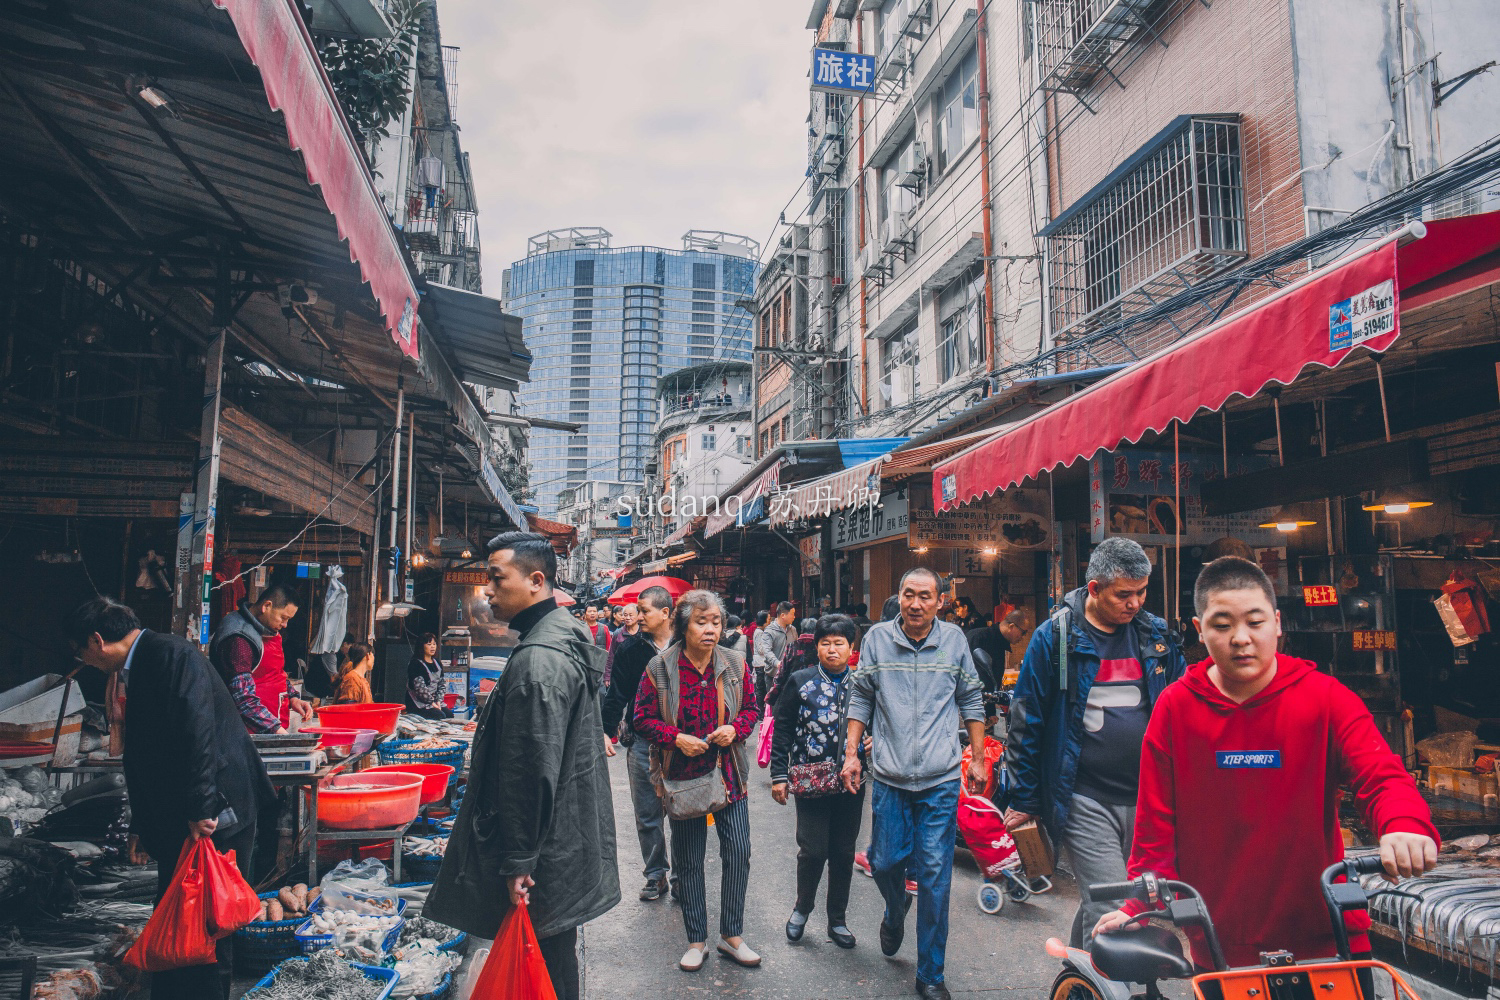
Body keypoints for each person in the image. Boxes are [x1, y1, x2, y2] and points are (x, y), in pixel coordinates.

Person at [1093, 557, 1439, 967]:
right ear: (1199, 630)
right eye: (1222, 625)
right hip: (1219, 937)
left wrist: (1403, 825)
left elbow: (1381, 777)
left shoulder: (1326, 699)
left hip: (1326, 933)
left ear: (1277, 623)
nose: (1241, 638)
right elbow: (1156, 822)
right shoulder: (1175, 707)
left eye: (1255, 622)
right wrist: (1139, 903)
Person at [427, 532, 619, 1000]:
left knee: (547, 966)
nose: (487, 590)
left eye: (496, 579)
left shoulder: (539, 663)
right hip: (561, 843)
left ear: (536, 581)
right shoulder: (558, 637)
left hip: (545, 854)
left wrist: (518, 862)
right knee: (553, 959)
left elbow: (531, 773)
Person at [67, 597, 273, 1000]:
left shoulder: (170, 655)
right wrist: (142, 824)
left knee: (210, 922)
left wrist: (200, 808)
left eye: (82, 653)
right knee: (180, 918)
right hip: (190, 814)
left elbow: (198, 734)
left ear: (97, 640)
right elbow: (152, 751)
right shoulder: (145, 661)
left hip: (217, 812)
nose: (86, 661)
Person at [1002, 536, 1187, 948]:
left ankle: (1079, 979)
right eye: (1125, 594)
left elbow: (1184, 707)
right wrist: (1024, 797)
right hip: (1084, 797)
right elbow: (1027, 721)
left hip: (1147, 798)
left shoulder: (1155, 637)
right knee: (1117, 909)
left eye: (1142, 592)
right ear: (1095, 589)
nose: (1135, 603)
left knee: (1119, 903)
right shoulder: (1055, 638)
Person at [841, 568, 987, 1000]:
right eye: (909, 595)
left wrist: (977, 759)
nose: (916, 604)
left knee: (936, 875)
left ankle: (931, 973)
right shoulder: (878, 640)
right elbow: (862, 696)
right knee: (885, 862)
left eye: (926, 596)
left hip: (941, 778)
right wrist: (852, 752)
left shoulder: (955, 641)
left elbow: (971, 698)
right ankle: (894, 907)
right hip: (889, 776)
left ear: (940, 601)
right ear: (899, 597)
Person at [633, 589, 761, 972]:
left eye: (716, 622)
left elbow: (753, 708)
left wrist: (735, 729)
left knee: (738, 851)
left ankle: (731, 935)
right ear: (683, 625)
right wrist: (675, 738)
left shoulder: (736, 663)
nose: (710, 629)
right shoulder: (660, 667)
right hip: (683, 779)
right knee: (688, 861)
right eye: (701, 622)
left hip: (729, 776)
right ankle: (696, 939)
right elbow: (641, 718)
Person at [770, 614, 866, 949]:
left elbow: (880, 724)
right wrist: (779, 775)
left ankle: (837, 920)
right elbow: (781, 730)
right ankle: (802, 908)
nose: (832, 649)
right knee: (812, 850)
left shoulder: (863, 685)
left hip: (851, 783)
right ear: (818, 646)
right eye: (826, 642)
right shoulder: (801, 681)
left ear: (851, 648)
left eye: (839, 643)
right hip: (810, 782)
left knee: (843, 852)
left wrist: (874, 741)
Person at [599, 586, 677, 902]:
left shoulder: (687, 645)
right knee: (648, 813)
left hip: (682, 742)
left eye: (644, 611)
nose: (637, 616)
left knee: (685, 812)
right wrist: (606, 730)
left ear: (666, 613)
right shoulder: (631, 649)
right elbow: (618, 692)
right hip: (644, 741)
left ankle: (683, 877)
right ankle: (656, 875)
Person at [209, 584, 312, 734]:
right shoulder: (239, 640)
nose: (285, 625)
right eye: (283, 618)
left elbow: (273, 673)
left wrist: (293, 698)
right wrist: (276, 730)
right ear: (266, 606)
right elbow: (243, 698)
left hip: (268, 730)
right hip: (244, 735)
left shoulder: (266, 630)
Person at [966, 610, 1027, 695]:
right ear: (1011, 626)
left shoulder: (999, 642)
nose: (1022, 637)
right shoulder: (977, 637)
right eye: (1023, 633)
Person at [766, 617, 817, 708]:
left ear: (802, 630)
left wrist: (771, 697)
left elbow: (782, 673)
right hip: (817, 693)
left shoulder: (792, 646)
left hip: (793, 692)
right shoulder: (821, 647)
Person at [753, 601, 795, 706]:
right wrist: (777, 663)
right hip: (773, 674)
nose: (794, 617)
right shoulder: (769, 631)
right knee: (774, 705)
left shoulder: (793, 630)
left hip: (790, 674)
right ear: (783, 615)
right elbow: (766, 651)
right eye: (792, 614)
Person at [405, 632, 452, 718]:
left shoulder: (437, 662)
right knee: (440, 716)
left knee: (449, 715)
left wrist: (438, 700)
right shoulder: (415, 663)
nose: (433, 647)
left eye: (434, 644)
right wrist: (432, 702)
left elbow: (442, 684)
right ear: (421, 646)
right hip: (418, 703)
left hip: (434, 701)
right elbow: (420, 689)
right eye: (429, 644)